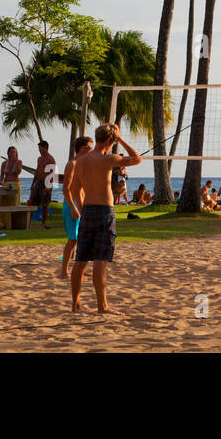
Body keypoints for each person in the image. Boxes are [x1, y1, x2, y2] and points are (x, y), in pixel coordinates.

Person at [65, 124, 143, 314]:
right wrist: (121, 139)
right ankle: (102, 306)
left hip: (88, 211)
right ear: (110, 140)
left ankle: (75, 303)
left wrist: (81, 210)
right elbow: (137, 159)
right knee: (100, 261)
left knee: (81, 260)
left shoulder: (80, 161)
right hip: (105, 212)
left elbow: (75, 190)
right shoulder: (108, 159)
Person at [60, 135, 93, 278]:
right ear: (81, 148)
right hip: (71, 204)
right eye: (89, 147)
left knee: (83, 239)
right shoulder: (72, 164)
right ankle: (64, 271)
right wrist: (74, 208)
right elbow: (66, 189)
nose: (91, 150)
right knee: (72, 239)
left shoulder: (86, 164)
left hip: (83, 204)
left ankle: (80, 269)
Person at [30, 141, 56, 228]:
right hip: (39, 182)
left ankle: (43, 224)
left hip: (47, 182)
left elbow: (52, 174)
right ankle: (28, 223)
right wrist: (33, 184)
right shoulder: (39, 158)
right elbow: (37, 171)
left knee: (45, 204)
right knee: (33, 203)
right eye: (39, 148)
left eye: (40, 148)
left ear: (45, 148)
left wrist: (48, 186)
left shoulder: (50, 159)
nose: (39, 150)